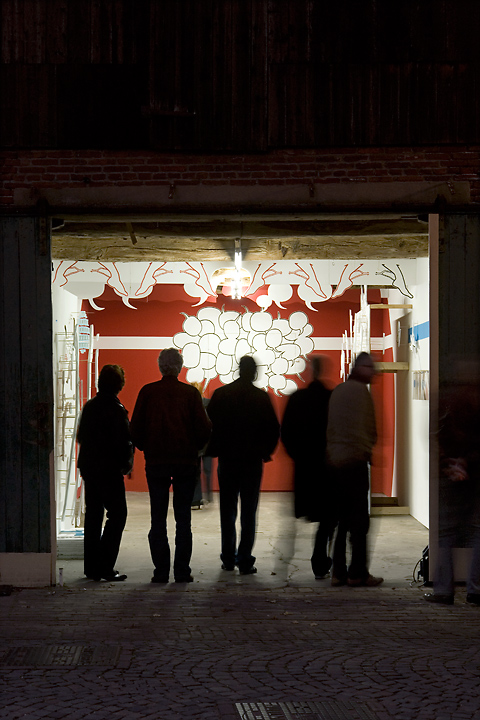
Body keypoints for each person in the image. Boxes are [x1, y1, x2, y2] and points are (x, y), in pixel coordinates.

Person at [130, 348, 211, 584]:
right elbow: (205, 429)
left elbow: (134, 429)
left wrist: (147, 447)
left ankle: (161, 571)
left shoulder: (148, 392)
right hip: (185, 463)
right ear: (180, 366)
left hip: (156, 463)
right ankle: (182, 571)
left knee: (158, 518)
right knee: (183, 518)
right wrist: (194, 449)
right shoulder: (190, 394)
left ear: (160, 366)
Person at [207, 355, 279, 575]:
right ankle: (245, 559)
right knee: (249, 512)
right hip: (251, 463)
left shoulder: (221, 395)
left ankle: (228, 558)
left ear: (238, 370)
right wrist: (265, 453)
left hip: (228, 461)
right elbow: (273, 430)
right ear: (254, 372)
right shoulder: (261, 398)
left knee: (227, 512)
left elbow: (210, 427)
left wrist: (214, 451)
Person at [425, 361, 480, 605]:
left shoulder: (448, 399)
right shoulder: (475, 401)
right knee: (477, 532)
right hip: (474, 472)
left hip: (451, 472)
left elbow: (437, 432)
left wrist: (448, 462)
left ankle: (444, 590)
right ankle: (475, 589)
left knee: (446, 533)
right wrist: (467, 461)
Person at [326, 352, 383, 587]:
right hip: (355, 463)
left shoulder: (338, 390)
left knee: (341, 520)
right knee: (360, 522)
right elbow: (368, 429)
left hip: (336, 464)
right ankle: (357, 572)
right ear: (359, 368)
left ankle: (338, 572)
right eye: (370, 367)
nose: (374, 372)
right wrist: (368, 448)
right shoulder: (361, 393)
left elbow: (330, 429)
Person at [77, 364, 133, 582]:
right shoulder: (116, 409)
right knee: (118, 514)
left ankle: (92, 567)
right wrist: (125, 463)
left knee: (93, 515)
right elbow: (123, 441)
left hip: (90, 467)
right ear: (119, 385)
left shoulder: (90, 406)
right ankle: (105, 565)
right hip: (109, 469)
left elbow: (81, 437)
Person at [281, 355, 335, 579]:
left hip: (304, 466)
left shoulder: (298, 399)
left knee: (304, 515)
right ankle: (320, 559)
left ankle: (295, 559)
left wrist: (297, 456)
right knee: (328, 517)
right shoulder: (331, 398)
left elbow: (286, 433)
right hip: (327, 467)